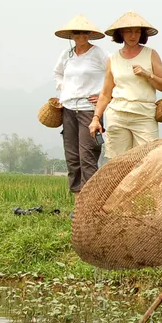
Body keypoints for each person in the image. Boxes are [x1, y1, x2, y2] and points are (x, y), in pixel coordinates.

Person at [89, 11, 162, 159]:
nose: (133, 35)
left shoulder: (151, 54)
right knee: (119, 162)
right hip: (117, 114)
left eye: (137, 31)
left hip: (144, 115)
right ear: (121, 33)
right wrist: (96, 118)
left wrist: (148, 74)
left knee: (148, 159)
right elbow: (106, 93)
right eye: (129, 31)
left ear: (142, 34)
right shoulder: (112, 58)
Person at [53, 14, 108, 194]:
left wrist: (104, 94)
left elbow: (114, 74)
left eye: (84, 33)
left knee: (88, 155)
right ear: (72, 35)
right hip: (68, 109)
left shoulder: (98, 53)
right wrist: (63, 88)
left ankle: (91, 200)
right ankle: (78, 200)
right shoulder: (67, 55)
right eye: (77, 33)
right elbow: (58, 73)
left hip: (89, 110)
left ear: (89, 34)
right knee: (72, 156)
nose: (81, 37)